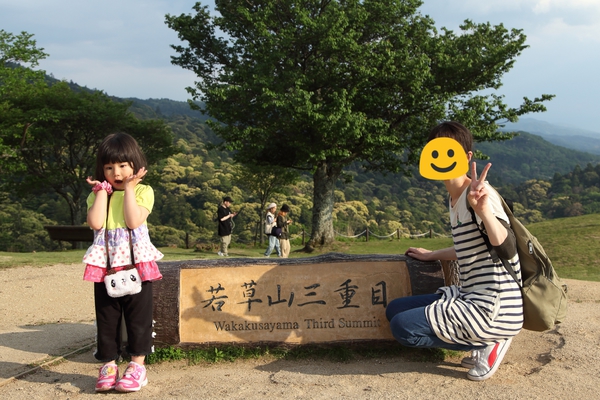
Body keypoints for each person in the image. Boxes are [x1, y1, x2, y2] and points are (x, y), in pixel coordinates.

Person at [386, 121, 523, 381]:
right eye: (435, 150)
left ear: (467, 156)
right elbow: (469, 248)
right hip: (470, 295)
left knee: (403, 328)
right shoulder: (454, 198)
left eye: (450, 150)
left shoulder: (480, 195)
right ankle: (478, 336)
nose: (441, 157)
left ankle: (490, 340)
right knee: (395, 310)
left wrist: (484, 211)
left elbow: (507, 248)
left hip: (494, 305)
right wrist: (431, 255)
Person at [83, 132, 164, 393]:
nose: (116, 173)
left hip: (136, 266)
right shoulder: (99, 194)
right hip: (105, 266)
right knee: (106, 318)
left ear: (135, 165)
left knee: (138, 318)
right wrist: (101, 193)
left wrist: (129, 188)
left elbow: (133, 220)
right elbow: (96, 223)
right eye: (109, 167)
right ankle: (108, 365)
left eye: (122, 165)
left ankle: (137, 366)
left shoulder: (143, 191)